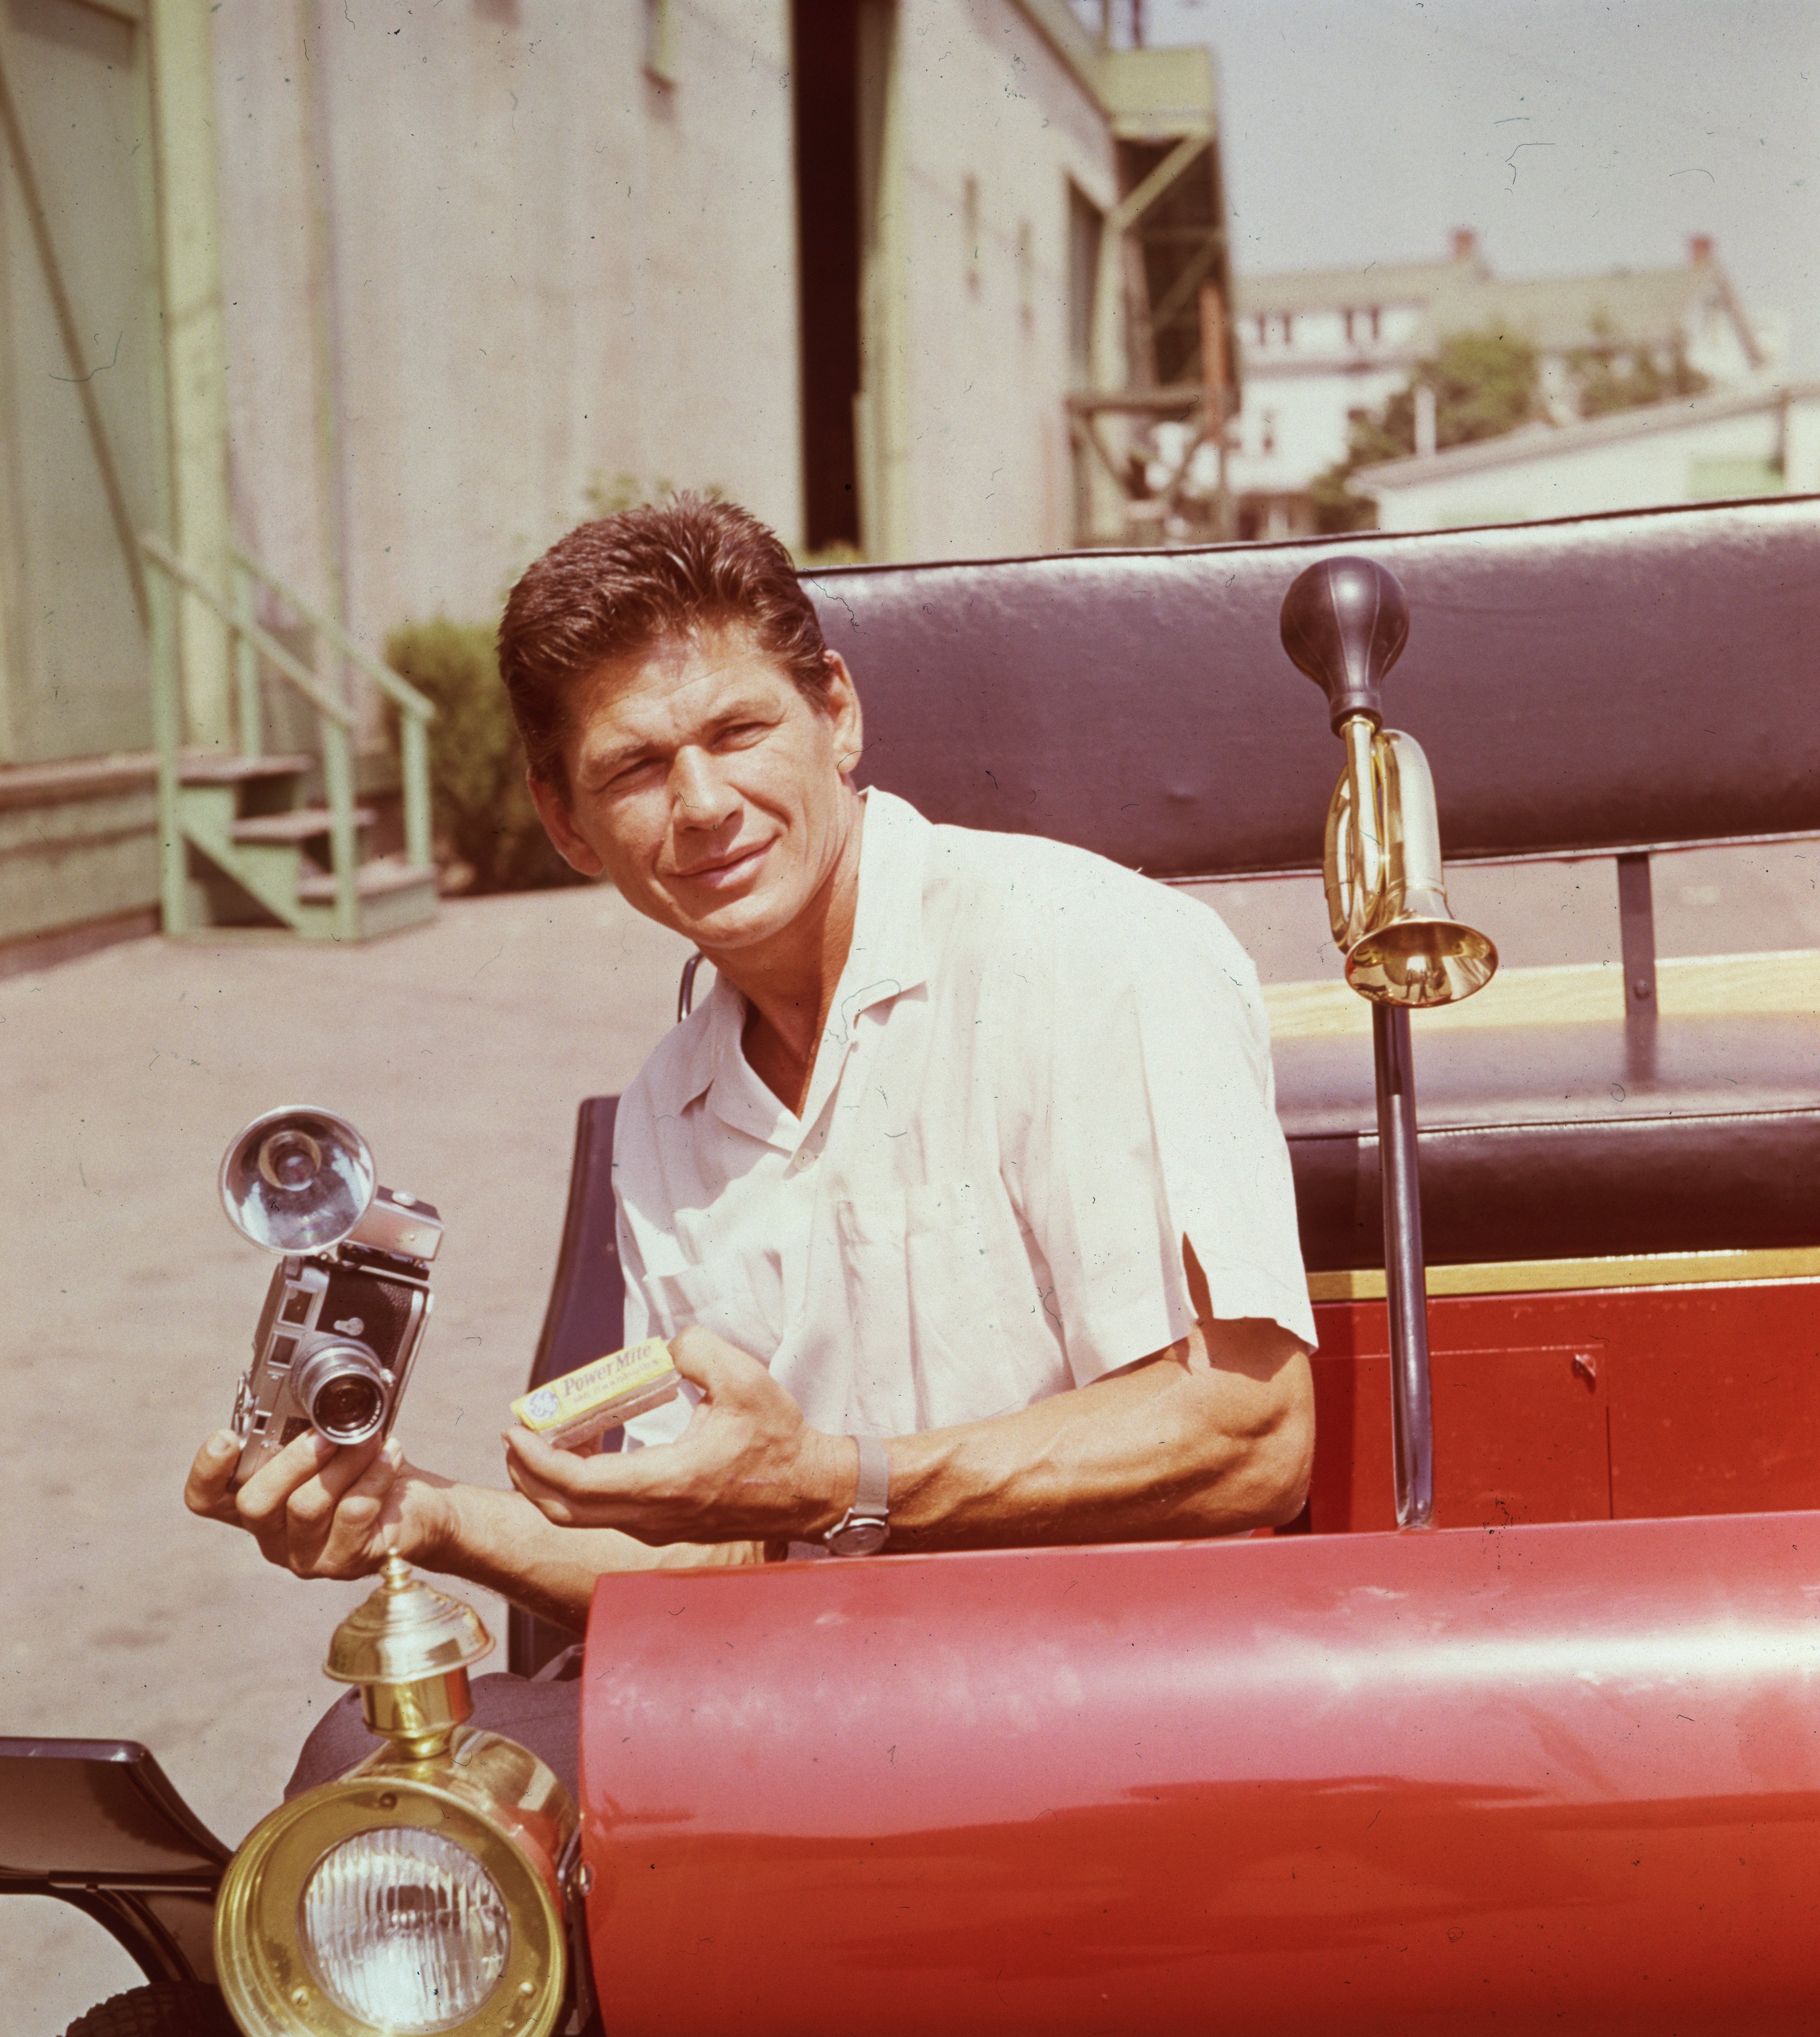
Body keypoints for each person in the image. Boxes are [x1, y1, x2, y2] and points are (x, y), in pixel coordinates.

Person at [185, 497, 1315, 1663]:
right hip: (827, 1725)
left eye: (737, 731)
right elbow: (716, 1552)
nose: (705, 805)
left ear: (837, 712)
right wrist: (424, 1515)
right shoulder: (664, 1111)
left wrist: (833, 1483)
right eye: (634, 766)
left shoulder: (1093, 953)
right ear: (565, 824)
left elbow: (1248, 1432)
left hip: (1144, 1711)